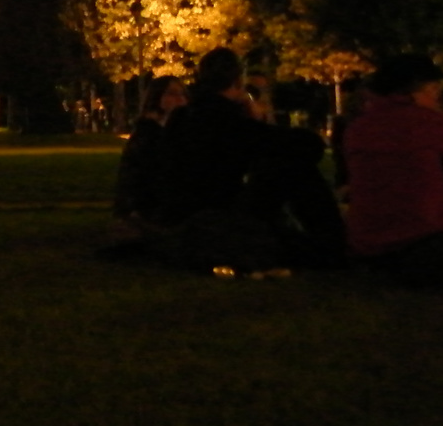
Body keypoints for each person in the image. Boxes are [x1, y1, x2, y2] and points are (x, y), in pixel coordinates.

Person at [156, 47, 344, 271]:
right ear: (237, 82)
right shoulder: (228, 121)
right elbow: (309, 145)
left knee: (283, 159)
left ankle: (327, 240)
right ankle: (333, 241)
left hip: (179, 217)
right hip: (220, 219)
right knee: (292, 165)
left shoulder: (182, 118)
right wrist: (254, 117)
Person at [343, 54, 443, 293]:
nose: (438, 94)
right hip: (425, 237)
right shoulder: (435, 125)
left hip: (368, 242)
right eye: (434, 88)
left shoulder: (358, 128)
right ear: (416, 91)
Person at [111, 75, 187, 227]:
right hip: (148, 208)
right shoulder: (149, 133)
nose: (180, 99)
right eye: (172, 94)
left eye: (182, 94)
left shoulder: (176, 131)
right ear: (157, 97)